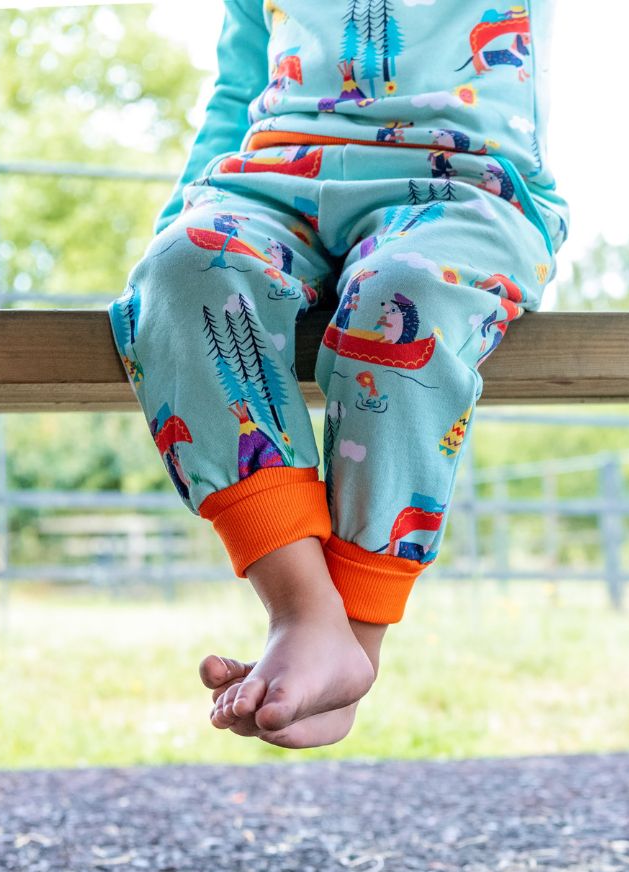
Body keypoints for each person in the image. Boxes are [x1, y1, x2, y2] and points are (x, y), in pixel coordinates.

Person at [107, 0, 570, 749]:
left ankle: (353, 631)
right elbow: (236, 87)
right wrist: (176, 231)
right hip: (271, 177)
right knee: (183, 269)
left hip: (463, 183)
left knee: (403, 296)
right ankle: (303, 610)